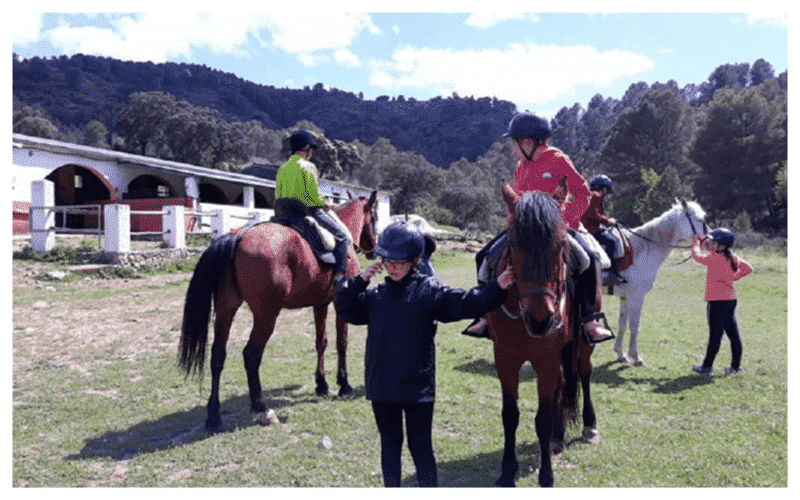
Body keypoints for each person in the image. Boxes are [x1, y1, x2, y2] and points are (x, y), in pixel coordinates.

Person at [334, 220, 513, 487]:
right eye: (387, 260)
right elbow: (345, 309)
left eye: (400, 261)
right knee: (390, 448)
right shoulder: (375, 297)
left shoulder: (430, 292)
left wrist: (497, 288)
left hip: (417, 389)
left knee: (421, 450)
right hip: (382, 387)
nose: (392, 266)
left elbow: (467, 302)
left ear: (415, 260)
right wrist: (360, 281)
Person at [463, 112, 614, 343]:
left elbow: (582, 194)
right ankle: (485, 316)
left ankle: (589, 320)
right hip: (524, 230)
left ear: (527, 142)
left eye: (514, 143)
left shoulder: (558, 160)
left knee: (588, 260)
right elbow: (515, 199)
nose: (512, 149)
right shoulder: (520, 166)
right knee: (484, 257)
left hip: (557, 229)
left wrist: (564, 222)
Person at [274, 129, 351, 286]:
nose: (311, 154)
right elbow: (312, 194)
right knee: (342, 236)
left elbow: (278, 193)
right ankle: (341, 276)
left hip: (282, 213)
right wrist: (325, 203)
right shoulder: (308, 166)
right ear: (307, 148)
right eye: (311, 150)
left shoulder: (282, 168)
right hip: (306, 211)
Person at [690, 228, 753, 376]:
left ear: (722, 246)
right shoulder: (731, 256)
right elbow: (748, 268)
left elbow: (697, 256)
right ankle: (735, 367)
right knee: (733, 335)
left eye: (714, 242)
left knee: (715, 336)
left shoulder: (714, 258)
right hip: (730, 300)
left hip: (718, 302)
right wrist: (734, 278)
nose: (711, 243)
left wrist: (694, 242)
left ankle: (706, 368)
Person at [582, 174, 626, 285]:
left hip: (590, 227)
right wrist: (608, 220)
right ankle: (609, 272)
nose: (606, 193)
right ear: (603, 188)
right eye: (607, 190)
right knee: (612, 242)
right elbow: (592, 215)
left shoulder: (591, 195)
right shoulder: (595, 196)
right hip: (590, 230)